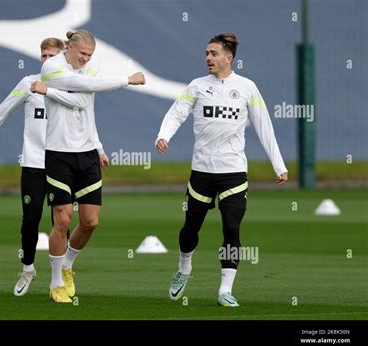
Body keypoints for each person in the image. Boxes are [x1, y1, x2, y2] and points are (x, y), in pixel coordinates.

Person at [0, 38, 109, 297]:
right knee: (30, 219)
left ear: (60, 56)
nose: (46, 60)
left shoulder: (72, 83)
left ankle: (60, 277)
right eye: (42, 55)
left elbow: (86, 121)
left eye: (51, 55)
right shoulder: (29, 84)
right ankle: (28, 269)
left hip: (63, 161)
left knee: (62, 220)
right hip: (34, 163)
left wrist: (98, 148)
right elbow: (3, 110)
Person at [155, 33, 288, 307]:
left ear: (229, 58)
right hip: (202, 172)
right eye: (206, 53)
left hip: (234, 173)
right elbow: (177, 112)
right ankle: (183, 268)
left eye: (214, 53)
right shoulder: (197, 86)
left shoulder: (248, 87)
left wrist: (279, 164)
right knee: (190, 229)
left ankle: (225, 290)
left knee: (231, 228)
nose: (208, 58)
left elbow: (264, 126)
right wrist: (163, 135)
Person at [32, 29, 146, 303]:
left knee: (91, 221)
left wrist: (98, 147)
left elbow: (85, 99)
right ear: (68, 47)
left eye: (90, 55)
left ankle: (68, 264)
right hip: (59, 154)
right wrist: (127, 80)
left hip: (86, 154)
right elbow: (84, 91)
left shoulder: (90, 69)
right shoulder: (51, 65)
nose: (86, 59)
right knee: (62, 220)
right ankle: (56, 281)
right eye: (82, 53)